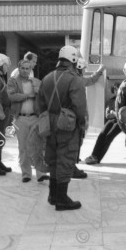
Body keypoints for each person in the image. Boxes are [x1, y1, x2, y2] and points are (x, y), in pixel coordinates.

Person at [37, 45, 87, 211]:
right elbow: (79, 107)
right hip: (67, 124)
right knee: (65, 158)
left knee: (53, 158)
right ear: (73, 60)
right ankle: (62, 199)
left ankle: (52, 195)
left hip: (49, 124)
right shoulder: (75, 79)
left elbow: (40, 105)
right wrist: (81, 123)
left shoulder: (47, 78)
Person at [7, 59, 49, 183]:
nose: (25, 70)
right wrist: (27, 95)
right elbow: (11, 96)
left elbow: (45, 97)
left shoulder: (36, 82)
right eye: (23, 68)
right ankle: (26, 174)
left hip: (35, 118)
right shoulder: (13, 81)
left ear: (31, 69)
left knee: (38, 146)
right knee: (23, 147)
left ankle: (40, 173)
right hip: (20, 118)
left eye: (28, 68)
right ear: (19, 68)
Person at [71, 58, 105, 178]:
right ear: (80, 68)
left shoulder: (71, 78)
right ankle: (73, 163)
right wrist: (100, 70)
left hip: (71, 115)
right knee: (77, 138)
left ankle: (74, 159)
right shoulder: (78, 79)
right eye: (84, 68)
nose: (85, 70)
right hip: (77, 115)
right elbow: (91, 80)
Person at [85, 83, 122, 165]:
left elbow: (121, 115)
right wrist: (113, 113)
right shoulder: (111, 100)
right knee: (102, 134)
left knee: (109, 136)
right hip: (112, 120)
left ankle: (98, 158)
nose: (116, 91)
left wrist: (113, 113)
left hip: (120, 122)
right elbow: (108, 115)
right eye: (115, 89)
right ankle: (93, 155)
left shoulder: (124, 100)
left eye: (118, 89)